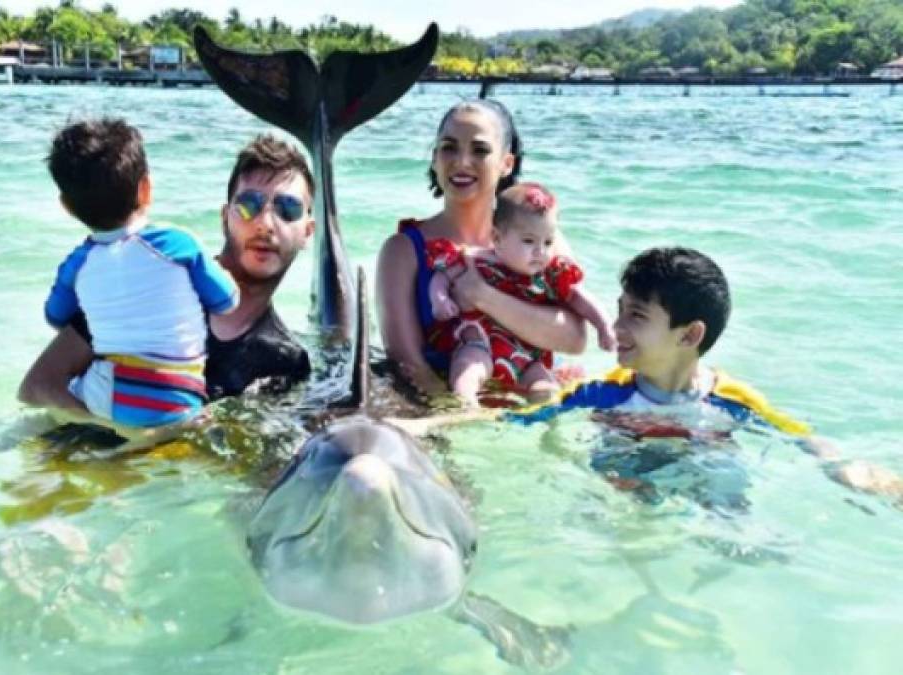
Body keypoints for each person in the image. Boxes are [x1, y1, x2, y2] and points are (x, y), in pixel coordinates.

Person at [502, 246, 903, 505]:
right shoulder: (601, 394)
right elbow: (524, 418)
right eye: (620, 309)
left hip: (704, 465)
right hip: (628, 480)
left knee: (727, 488)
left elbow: (797, 435)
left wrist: (847, 469)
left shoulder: (731, 400)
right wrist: (446, 422)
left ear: (691, 334)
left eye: (636, 315)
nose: (617, 326)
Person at [19, 133, 315, 428]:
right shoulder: (151, 283)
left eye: (287, 209)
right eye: (249, 204)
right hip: (69, 457)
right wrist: (129, 439)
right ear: (225, 217)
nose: (265, 224)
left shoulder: (285, 361)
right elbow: (39, 387)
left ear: (308, 232)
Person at [377, 100, 587, 398]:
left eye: (480, 150)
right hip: (449, 408)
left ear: (507, 164)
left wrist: (482, 296)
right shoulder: (403, 250)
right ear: (435, 158)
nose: (462, 161)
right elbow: (408, 364)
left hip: (530, 405)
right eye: (449, 147)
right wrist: (460, 421)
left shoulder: (542, 241)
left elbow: (575, 339)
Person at [43, 118, 239, 429]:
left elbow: (55, 318)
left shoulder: (77, 263)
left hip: (107, 399)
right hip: (182, 400)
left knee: (51, 399)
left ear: (67, 207)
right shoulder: (176, 244)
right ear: (145, 189)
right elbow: (227, 301)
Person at [425, 182, 615, 404]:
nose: (540, 251)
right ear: (497, 238)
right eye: (528, 241)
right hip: (481, 343)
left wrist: (603, 325)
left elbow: (579, 297)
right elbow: (443, 275)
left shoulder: (550, 274)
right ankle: (464, 405)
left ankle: (548, 423)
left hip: (527, 356)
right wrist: (439, 299)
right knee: (467, 369)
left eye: (548, 242)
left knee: (546, 386)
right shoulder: (476, 260)